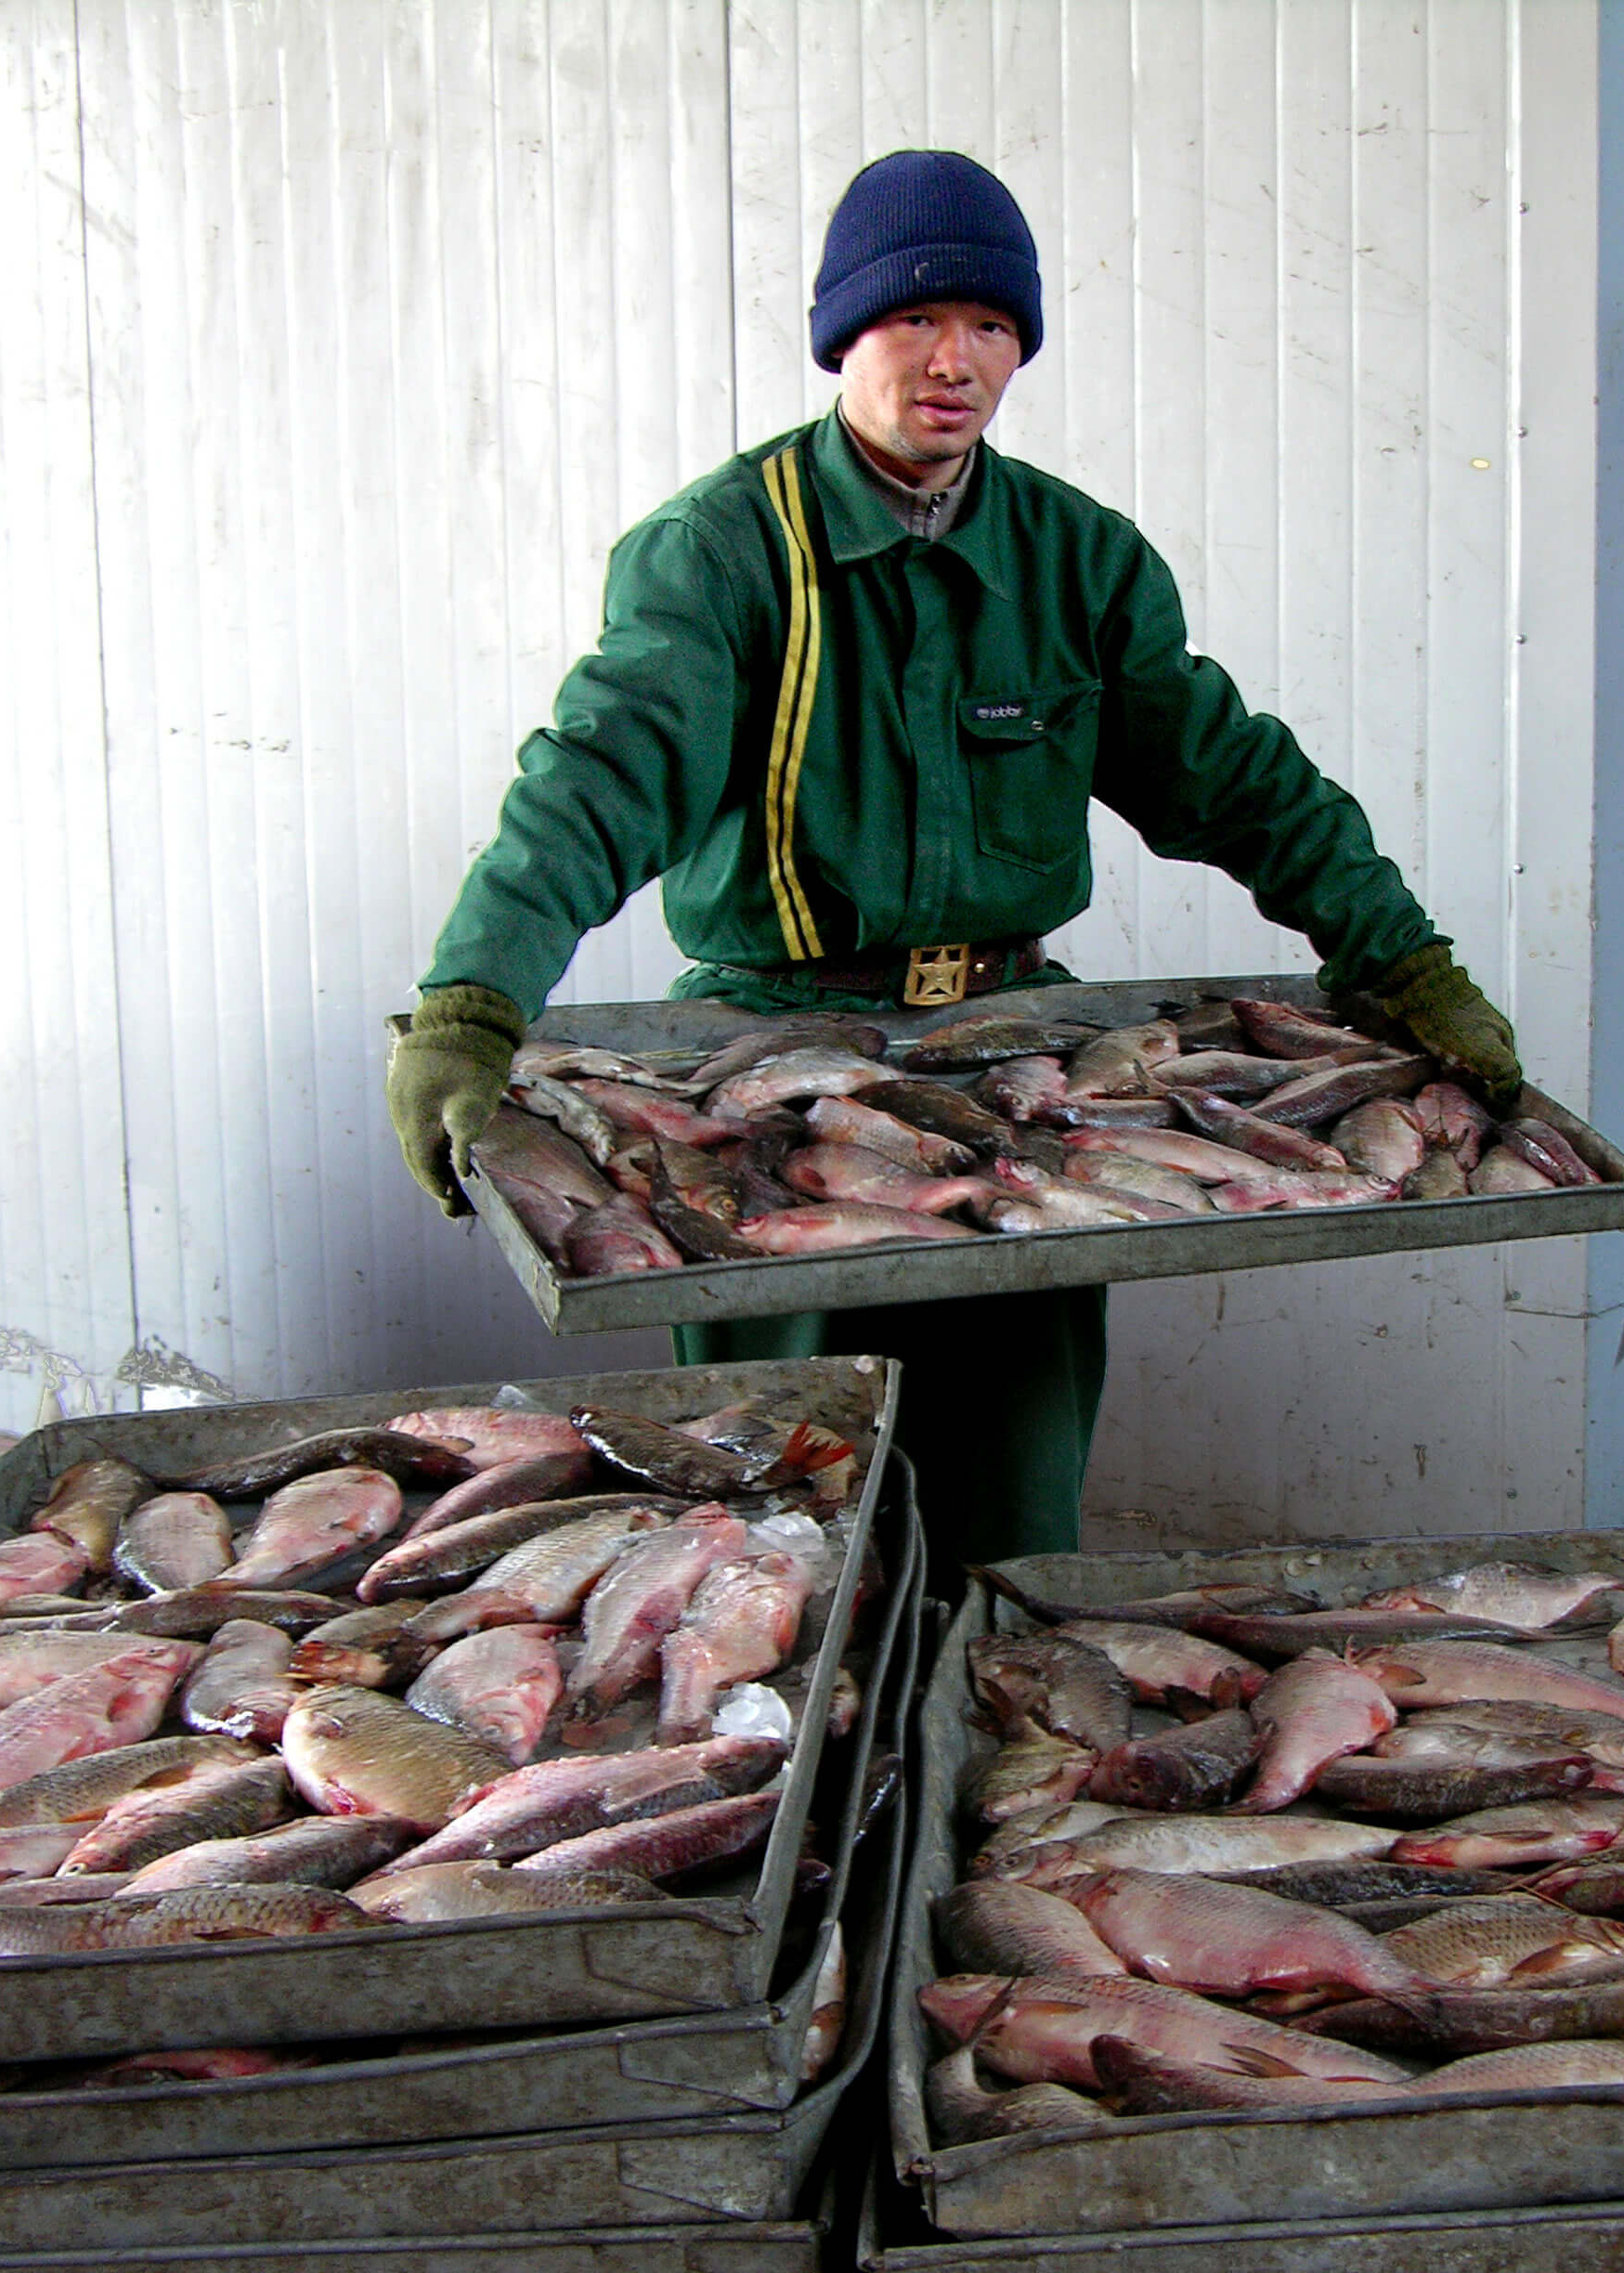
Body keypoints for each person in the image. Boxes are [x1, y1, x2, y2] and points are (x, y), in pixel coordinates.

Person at [387, 149, 1518, 1571]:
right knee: (777, 1514)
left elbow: (1243, 783)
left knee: (1010, 1506)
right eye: (914, 319)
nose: (953, 359)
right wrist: (470, 1006)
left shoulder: (1080, 561)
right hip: (765, 1074)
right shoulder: (722, 552)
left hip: (1017, 1071)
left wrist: (1406, 961)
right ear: (842, 335)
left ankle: (991, 1752)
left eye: (990, 326)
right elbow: (597, 783)